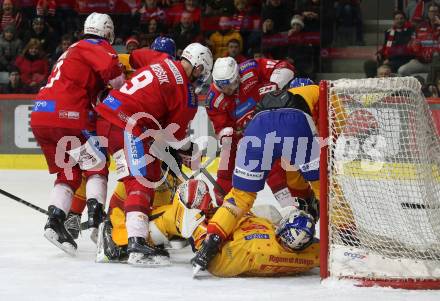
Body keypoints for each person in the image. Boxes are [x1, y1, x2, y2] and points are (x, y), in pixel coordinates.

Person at [94, 42, 213, 267]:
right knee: (141, 181)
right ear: (198, 68)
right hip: (126, 124)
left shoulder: (160, 59)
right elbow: (175, 138)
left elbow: (130, 58)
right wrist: (191, 151)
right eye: (201, 73)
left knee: (142, 175)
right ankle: (136, 243)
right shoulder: (186, 94)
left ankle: (112, 227)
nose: (200, 78)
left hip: (109, 118)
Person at [192, 85, 321, 272]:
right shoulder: (320, 91)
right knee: (325, 189)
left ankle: (210, 244)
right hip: (295, 123)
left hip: (256, 127)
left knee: (240, 196)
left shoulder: (302, 92)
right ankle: (345, 235)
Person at [64, 36, 179, 241]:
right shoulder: (169, 75)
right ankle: (108, 222)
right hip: (123, 125)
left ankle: (89, 219)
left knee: (96, 168)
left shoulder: (130, 61)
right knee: (132, 176)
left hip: (110, 120)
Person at [30, 12, 124, 256]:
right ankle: (96, 216)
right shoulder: (94, 44)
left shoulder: (71, 49)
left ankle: (55, 221)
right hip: (66, 114)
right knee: (97, 164)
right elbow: (115, 76)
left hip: (41, 113)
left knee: (68, 172)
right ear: (106, 31)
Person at [96, 179, 319, 277]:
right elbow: (317, 248)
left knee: (188, 200)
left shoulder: (252, 251)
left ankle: (120, 240)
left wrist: (209, 239)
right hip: (226, 233)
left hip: (214, 244)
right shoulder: (306, 254)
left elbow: (220, 262)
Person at [206, 57, 297, 205]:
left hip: (272, 121)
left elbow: (285, 67)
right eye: (222, 87)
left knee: (272, 164)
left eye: (230, 84)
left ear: (237, 76)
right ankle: (225, 206)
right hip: (242, 134)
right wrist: (226, 135)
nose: (227, 90)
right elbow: (220, 126)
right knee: (225, 167)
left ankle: (290, 204)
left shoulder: (251, 68)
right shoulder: (213, 98)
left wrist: (275, 87)